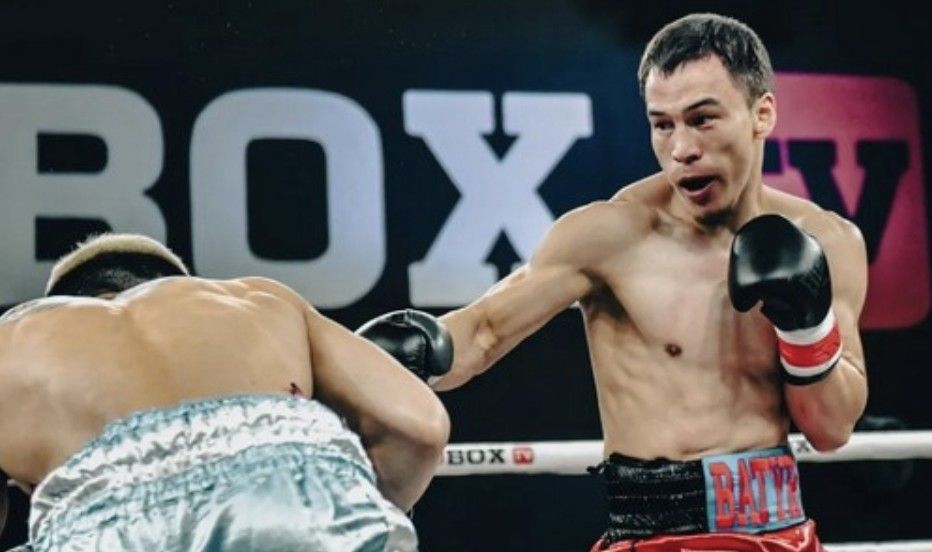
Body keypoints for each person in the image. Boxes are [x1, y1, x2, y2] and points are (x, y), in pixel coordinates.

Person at [359, 13, 867, 551]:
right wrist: (406, 354)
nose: (681, 148)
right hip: (654, 539)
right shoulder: (611, 236)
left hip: (781, 536)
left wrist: (807, 328)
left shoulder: (828, 240)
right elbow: (482, 331)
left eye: (702, 120)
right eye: (662, 124)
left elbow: (831, 428)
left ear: (761, 113)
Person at [0, 233, 449, 551]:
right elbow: (421, 429)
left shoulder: (12, 345)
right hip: (294, 503)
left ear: (58, 303)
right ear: (180, 283)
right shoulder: (258, 299)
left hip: (105, 526)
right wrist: (367, 507)